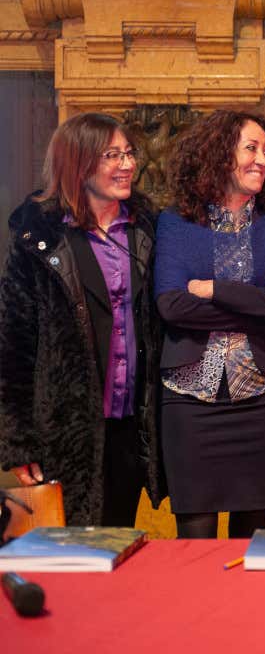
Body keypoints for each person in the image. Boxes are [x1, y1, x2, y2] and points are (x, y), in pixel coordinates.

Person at [155, 109, 265, 539]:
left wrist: (213, 289)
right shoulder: (175, 222)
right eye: (251, 148)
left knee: (253, 542)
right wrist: (263, 297)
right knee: (194, 541)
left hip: (262, 398)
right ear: (220, 154)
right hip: (188, 401)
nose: (262, 158)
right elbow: (172, 306)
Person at [0, 113, 165, 526]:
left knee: (117, 541)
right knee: (69, 557)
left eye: (129, 154)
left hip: (131, 426)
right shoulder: (37, 238)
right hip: (64, 428)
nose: (127, 165)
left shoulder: (147, 228)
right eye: (112, 155)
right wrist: (19, 444)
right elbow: (12, 347)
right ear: (77, 162)